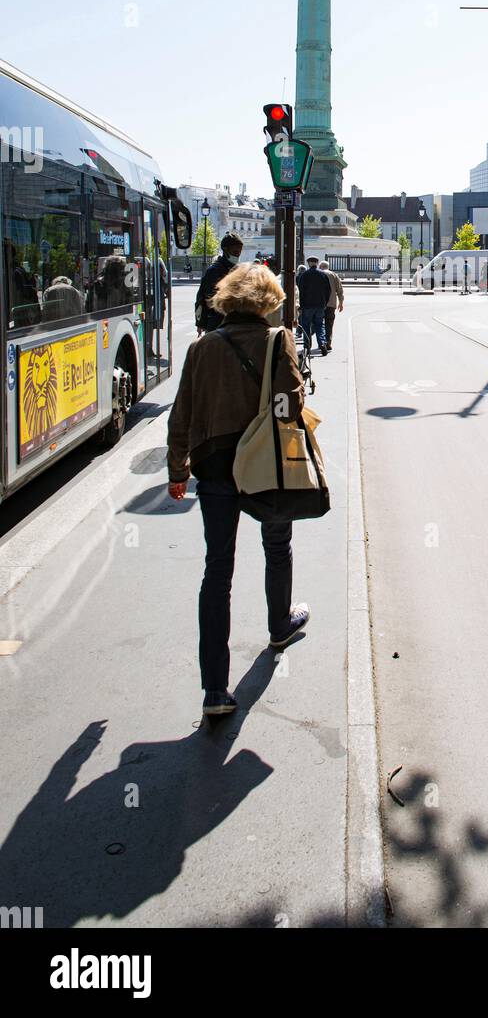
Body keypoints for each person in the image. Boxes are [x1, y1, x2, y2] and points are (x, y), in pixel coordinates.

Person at [167, 263, 309, 716]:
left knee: (217, 570)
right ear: (268, 302)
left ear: (225, 298)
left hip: (214, 467)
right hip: (265, 462)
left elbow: (181, 415)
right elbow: (288, 406)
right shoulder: (276, 340)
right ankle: (278, 625)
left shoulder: (202, 347)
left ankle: (214, 690)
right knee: (277, 543)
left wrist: (177, 469)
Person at [195, 233, 244, 334]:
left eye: (239, 252)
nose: (237, 255)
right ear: (225, 250)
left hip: (235, 324)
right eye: (235, 252)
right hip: (218, 325)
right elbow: (209, 301)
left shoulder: (238, 269)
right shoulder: (214, 271)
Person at [297, 255, 331, 354]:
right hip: (320, 304)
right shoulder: (323, 275)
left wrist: (301, 305)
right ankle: (322, 343)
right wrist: (325, 302)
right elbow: (328, 290)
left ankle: (307, 346)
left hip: (307, 305)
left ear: (309, 263)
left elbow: (301, 291)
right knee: (320, 325)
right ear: (316, 263)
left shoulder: (304, 275)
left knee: (306, 325)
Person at [321, 259, 345, 350]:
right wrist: (341, 303)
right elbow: (340, 290)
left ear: (320, 267)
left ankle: (321, 342)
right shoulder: (334, 275)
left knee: (319, 324)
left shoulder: (319, 274)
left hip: (319, 303)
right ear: (328, 267)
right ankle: (328, 342)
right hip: (331, 303)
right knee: (329, 324)